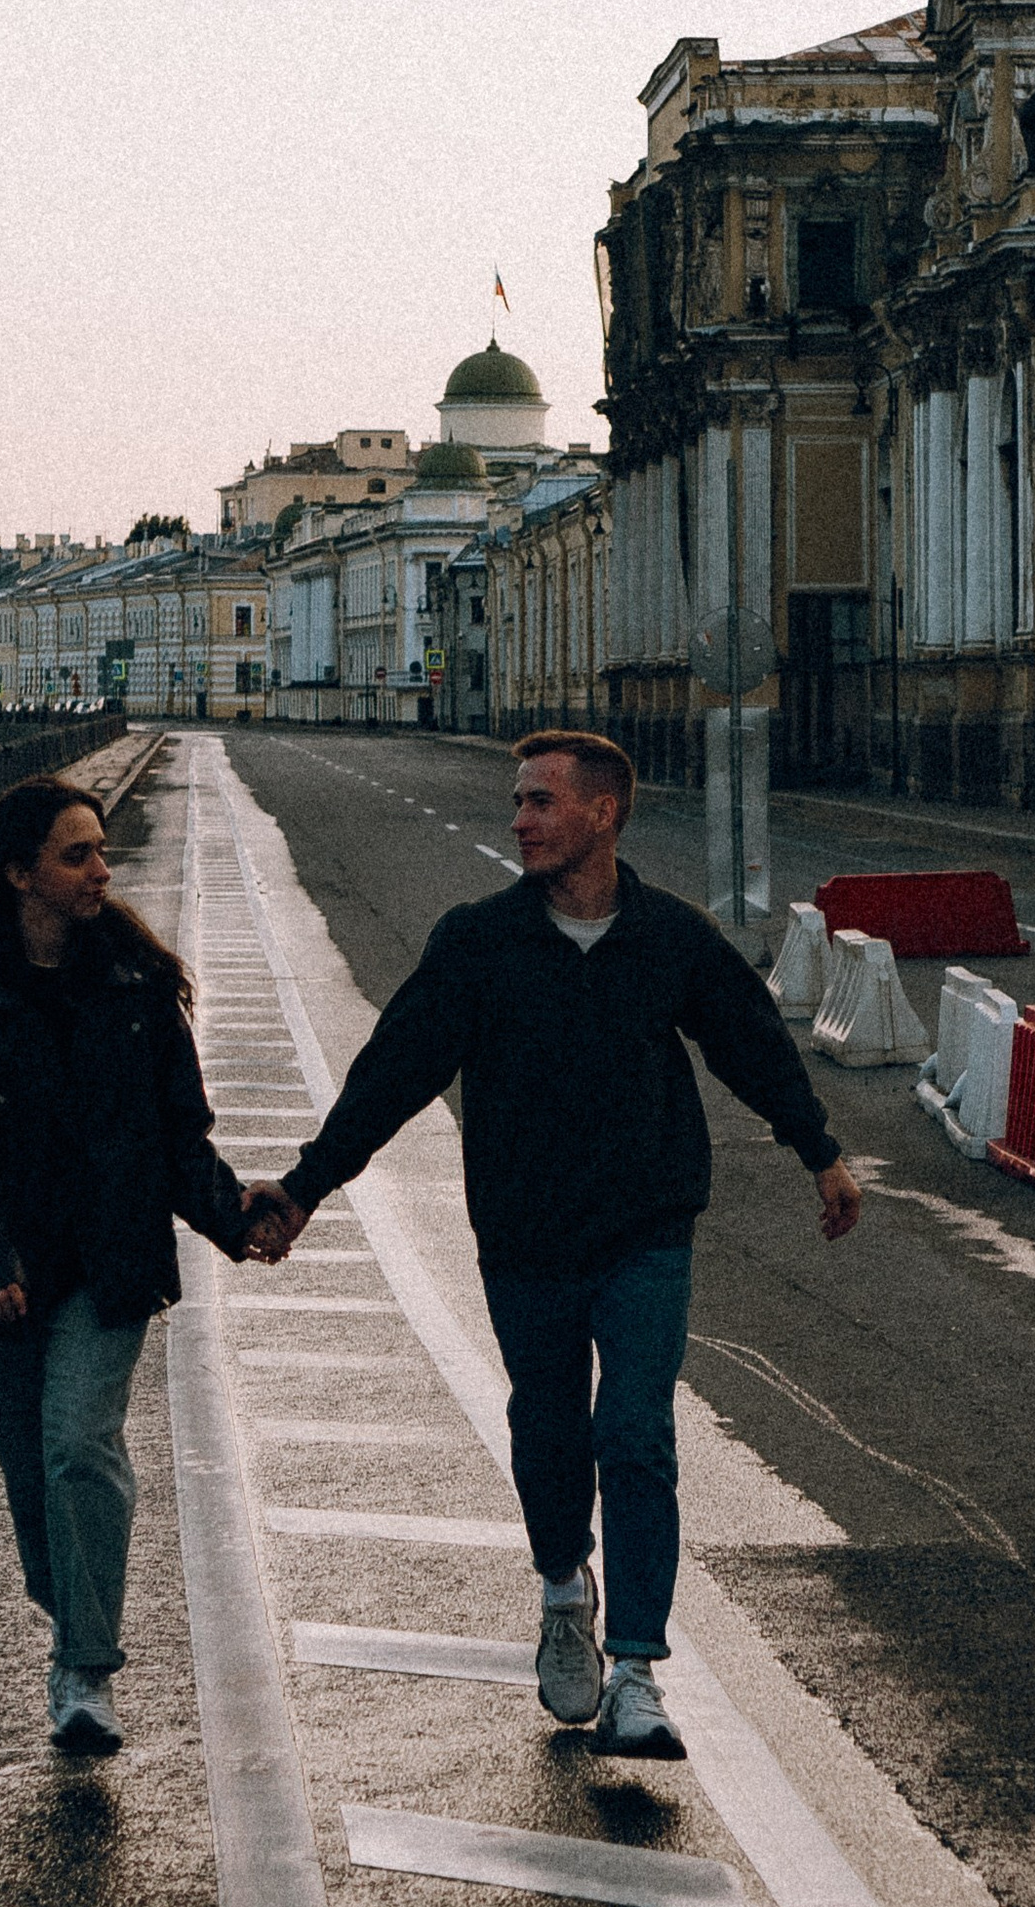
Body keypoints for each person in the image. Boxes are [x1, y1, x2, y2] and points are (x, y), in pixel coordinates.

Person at [244, 729, 861, 1759]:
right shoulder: (479, 941)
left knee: (636, 1430)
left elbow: (750, 1046)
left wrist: (820, 1153)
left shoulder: (670, 937)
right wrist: (307, 1187)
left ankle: (636, 1672)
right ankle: (563, 1587)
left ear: (602, 813)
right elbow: (395, 1070)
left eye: (540, 801)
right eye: (518, 802)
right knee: (548, 1426)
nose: (520, 820)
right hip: (525, 1232)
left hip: (646, 1228)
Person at [0, 774, 256, 1753]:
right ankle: (74, 1617)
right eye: (77, 854)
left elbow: (178, 1134)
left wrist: (237, 1220)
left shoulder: (136, 984)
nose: (102, 870)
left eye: (101, 851)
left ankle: (85, 1672)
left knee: (79, 1449)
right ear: (19, 874)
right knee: (35, 1477)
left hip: (107, 1259)